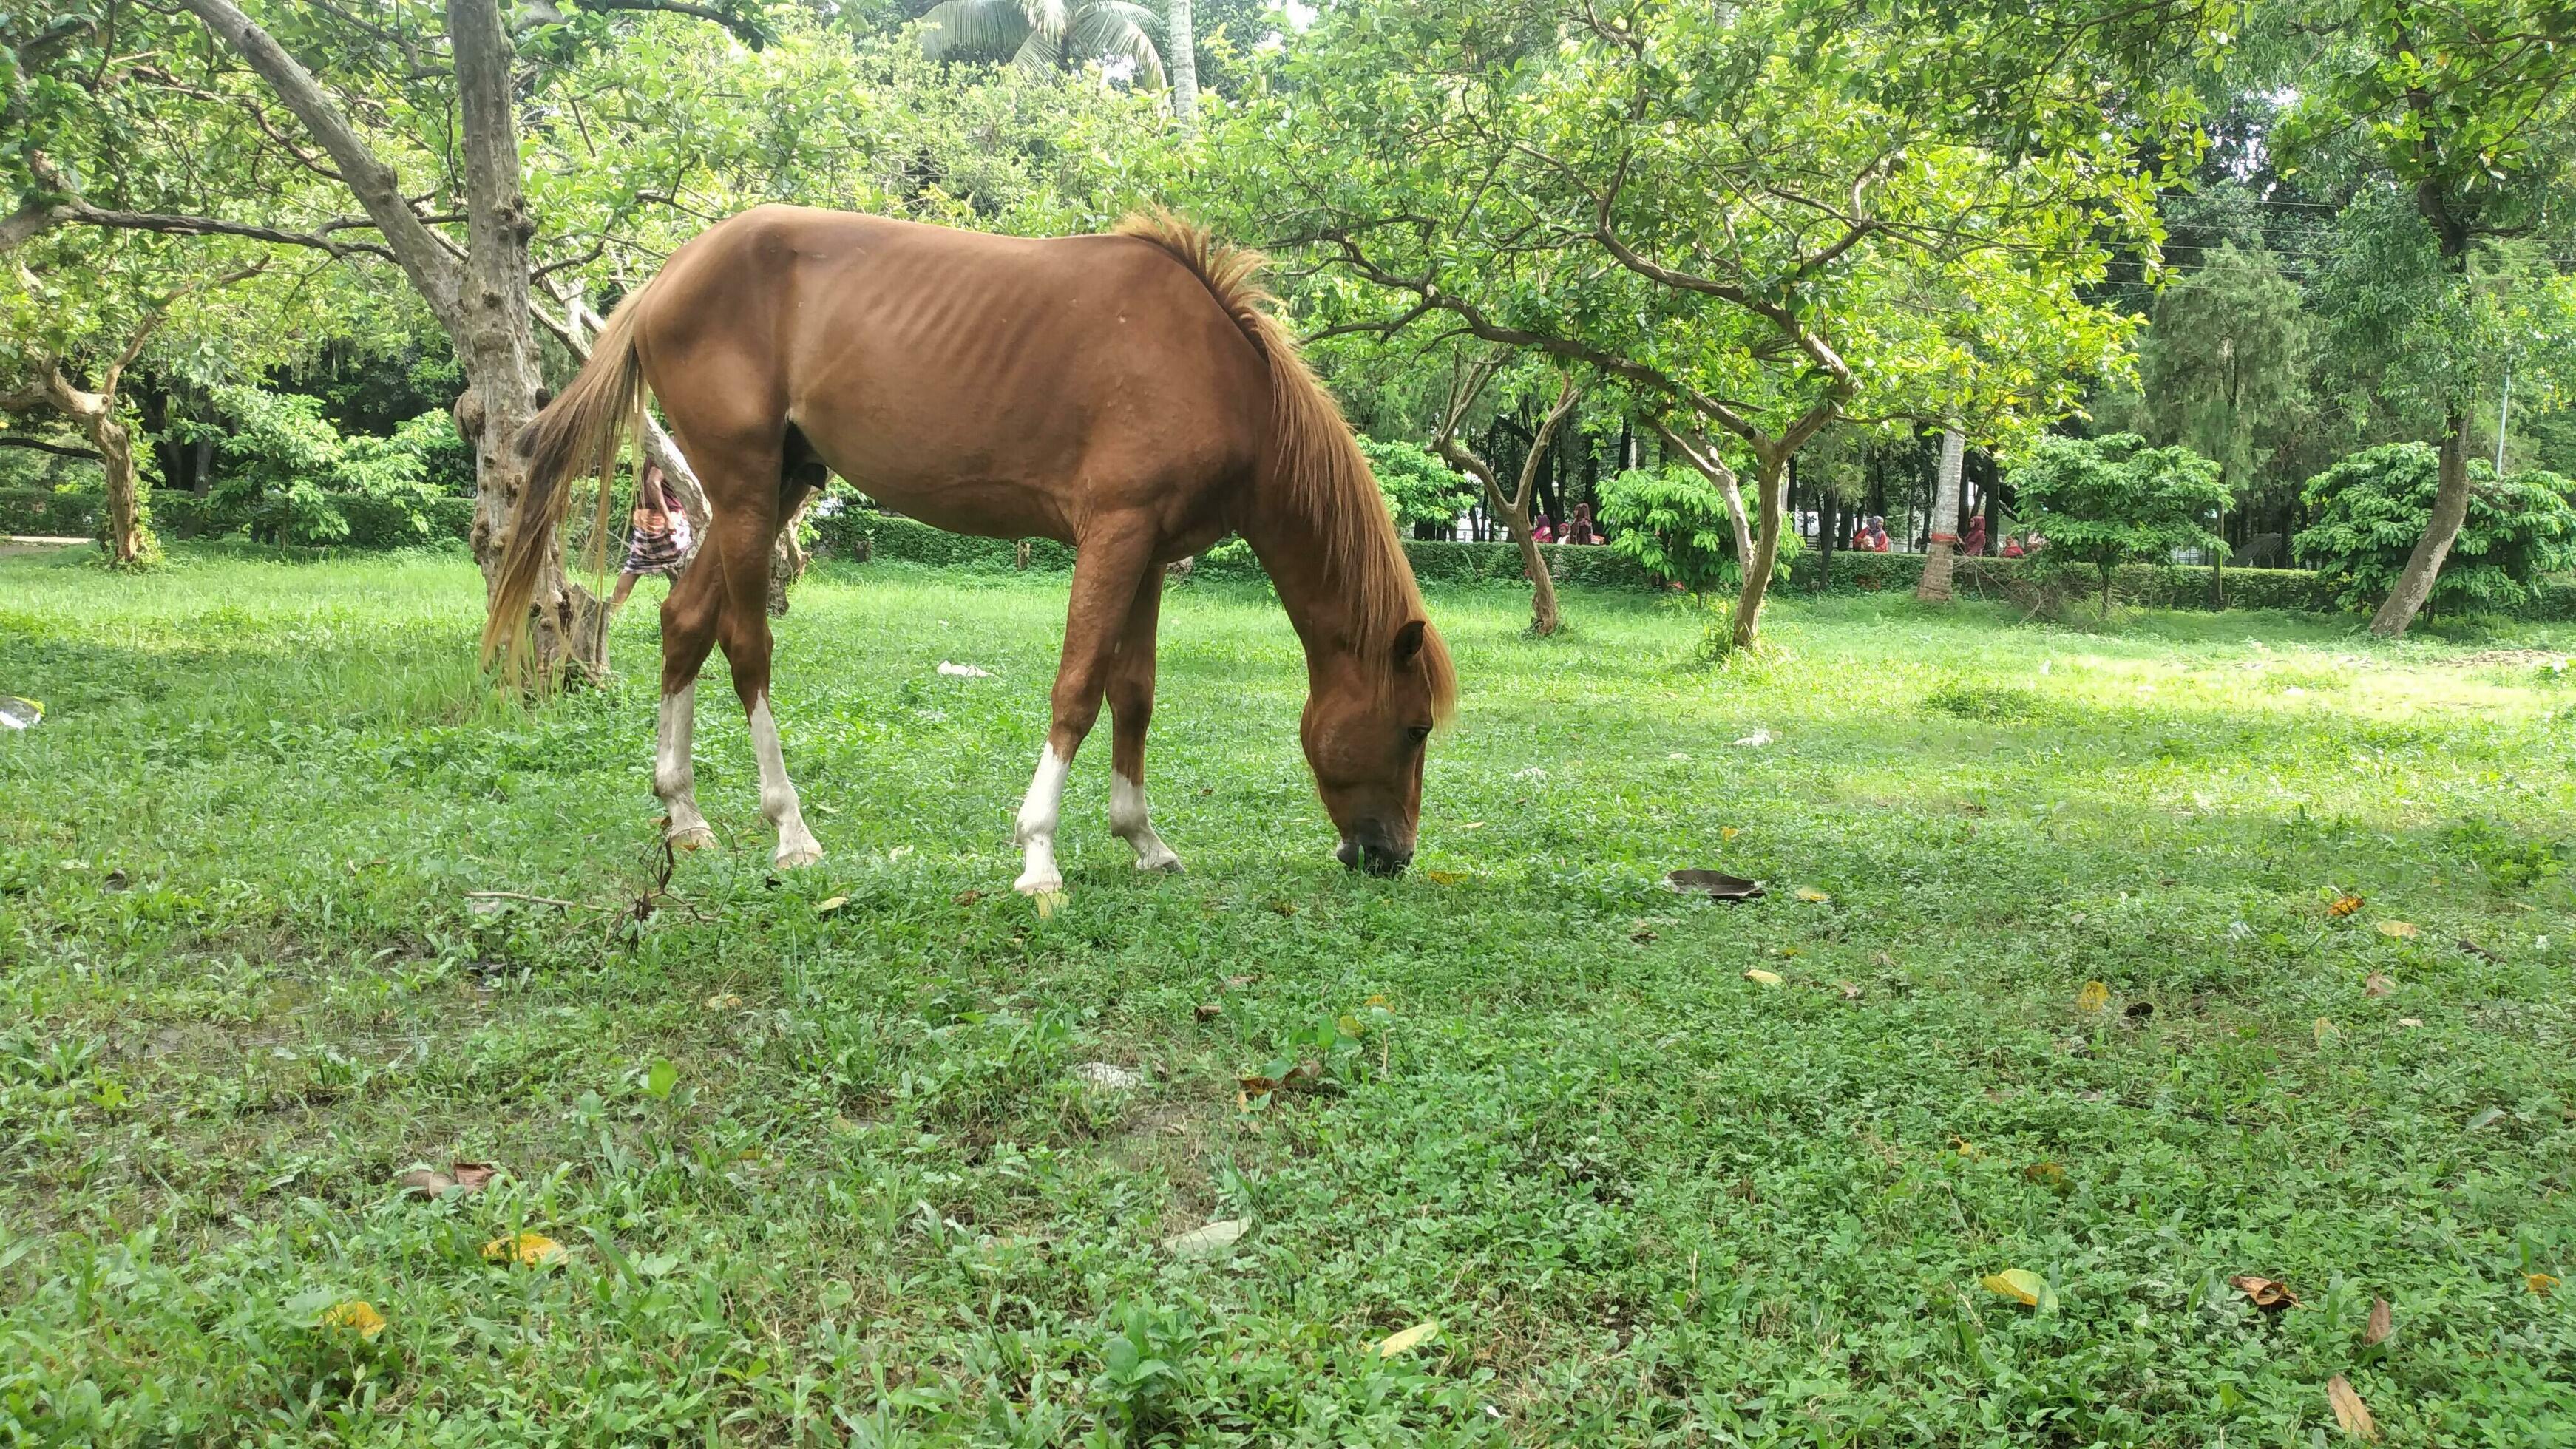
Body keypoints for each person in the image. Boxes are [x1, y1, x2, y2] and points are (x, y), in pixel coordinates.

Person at [609, 462, 693, 611]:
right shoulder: (670, 450)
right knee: (690, 570)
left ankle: (610, 613)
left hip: (647, 519)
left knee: (633, 568)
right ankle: (682, 615)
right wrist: (668, 518)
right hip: (667, 519)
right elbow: (653, 482)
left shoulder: (654, 452)